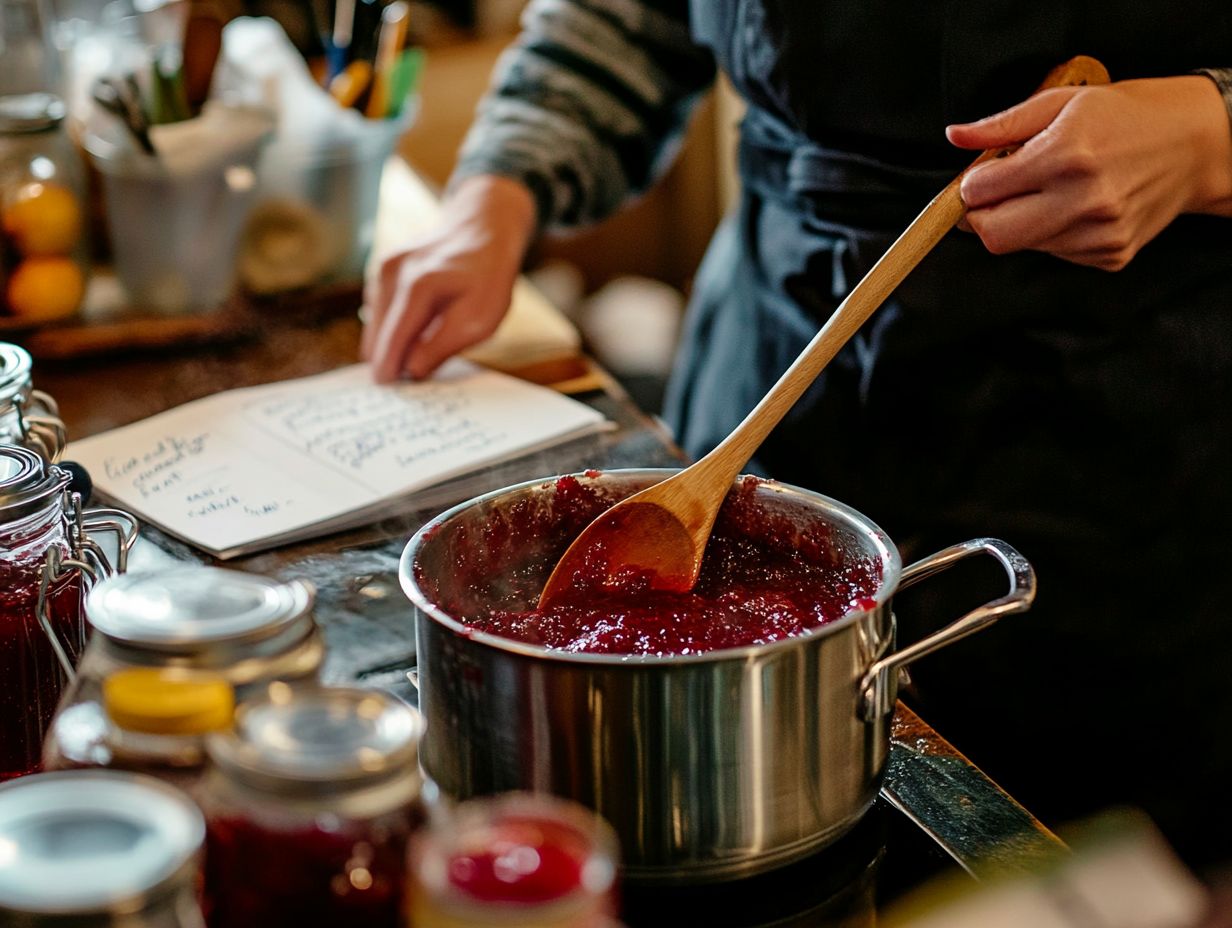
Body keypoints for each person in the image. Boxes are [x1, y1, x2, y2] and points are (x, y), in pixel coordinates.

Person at [362, 1, 1232, 867]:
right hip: (777, 337)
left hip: (1126, 439)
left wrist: (1208, 137)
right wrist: (497, 191)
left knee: (1086, 855)